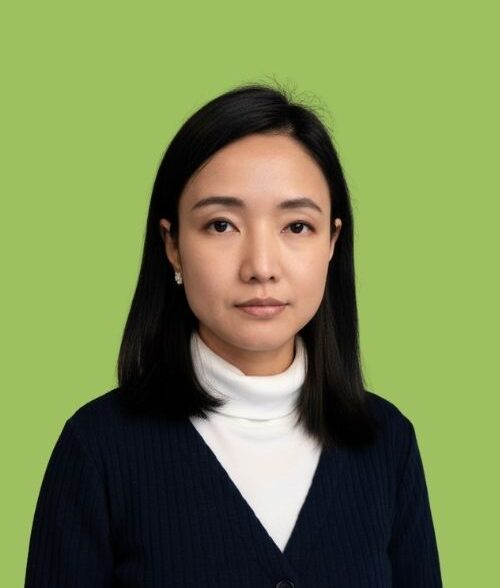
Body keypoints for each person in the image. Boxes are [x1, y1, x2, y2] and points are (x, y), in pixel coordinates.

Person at [24, 82, 443, 587]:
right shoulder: (96, 450)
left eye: (296, 226)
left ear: (332, 241)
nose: (261, 267)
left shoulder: (387, 443)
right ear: (172, 245)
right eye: (221, 225)